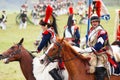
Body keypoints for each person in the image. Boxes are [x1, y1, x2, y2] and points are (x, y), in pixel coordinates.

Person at [79, 14, 117, 80]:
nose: (94, 23)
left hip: (100, 54)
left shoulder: (102, 32)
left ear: (98, 22)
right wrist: (80, 46)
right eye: (93, 22)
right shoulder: (91, 31)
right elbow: (86, 39)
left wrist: (86, 50)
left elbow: (98, 46)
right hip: (91, 53)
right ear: (91, 23)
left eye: (96, 21)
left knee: (99, 68)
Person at [34, 5, 63, 80]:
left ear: (46, 26)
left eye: (42, 26)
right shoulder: (51, 30)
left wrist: (38, 49)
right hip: (51, 52)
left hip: (52, 53)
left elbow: (43, 42)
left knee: (50, 69)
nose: (41, 28)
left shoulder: (48, 32)